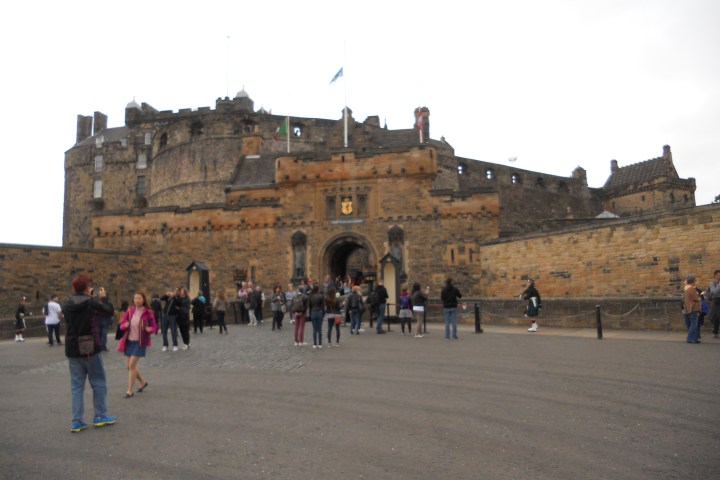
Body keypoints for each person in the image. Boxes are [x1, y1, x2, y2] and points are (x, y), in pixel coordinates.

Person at [63, 274, 117, 432]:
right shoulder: (92, 303)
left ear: (73, 288)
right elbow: (109, 312)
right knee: (98, 382)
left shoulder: (66, 304)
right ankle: (100, 415)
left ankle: (76, 420)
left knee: (76, 386)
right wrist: (103, 298)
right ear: (87, 289)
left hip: (72, 349)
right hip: (90, 347)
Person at [118, 292, 158, 397]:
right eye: (135, 298)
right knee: (129, 366)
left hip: (140, 342)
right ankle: (143, 382)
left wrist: (151, 329)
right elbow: (121, 324)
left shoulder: (148, 312)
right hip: (129, 341)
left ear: (143, 300)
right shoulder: (130, 310)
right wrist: (124, 325)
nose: (137, 300)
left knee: (131, 365)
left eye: (139, 298)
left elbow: (154, 326)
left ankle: (130, 390)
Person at [683, 276, 701, 344]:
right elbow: (695, 298)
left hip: (687, 307)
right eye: (695, 281)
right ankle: (690, 338)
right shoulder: (691, 288)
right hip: (693, 308)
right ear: (693, 281)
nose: (695, 282)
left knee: (689, 323)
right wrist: (700, 298)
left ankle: (694, 338)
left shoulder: (685, 288)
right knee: (694, 324)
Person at [707, 270, 720, 339]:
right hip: (716, 302)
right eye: (719, 275)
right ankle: (715, 332)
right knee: (717, 318)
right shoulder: (712, 283)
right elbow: (713, 292)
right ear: (715, 276)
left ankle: (715, 332)